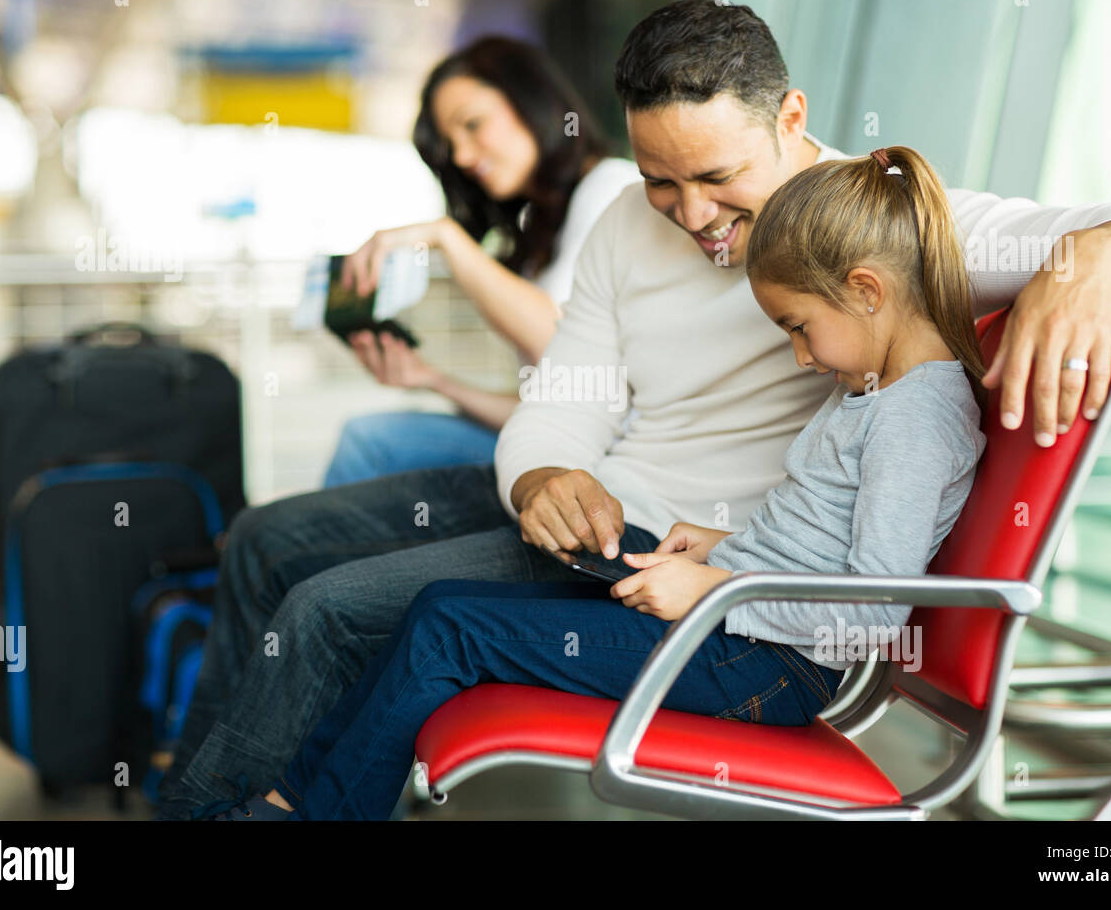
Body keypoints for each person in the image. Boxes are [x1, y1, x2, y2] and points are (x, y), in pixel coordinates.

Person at [155, 0, 1111, 820]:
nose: (692, 215)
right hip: (598, 503)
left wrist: (1095, 257)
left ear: (789, 119)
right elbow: (565, 391)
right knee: (263, 539)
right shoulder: (625, 217)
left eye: (716, 177)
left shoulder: (878, 230)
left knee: (332, 608)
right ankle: (204, 788)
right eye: (663, 180)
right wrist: (539, 474)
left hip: (689, 555)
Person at [204, 144, 989, 819]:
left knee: (450, 630)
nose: (801, 357)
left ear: (868, 289)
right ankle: (291, 803)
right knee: (439, 605)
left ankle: (301, 812)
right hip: (734, 612)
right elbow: (822, 534)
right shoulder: (876, 389)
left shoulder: (916, 417)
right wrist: (718, 548)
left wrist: (712, 590)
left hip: (770, 662)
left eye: (798, 328)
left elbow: (871, 609)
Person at [324, 35, 639, 486]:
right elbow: (548, 407)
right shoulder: (542, 229)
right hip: (562, 447)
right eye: (452, 145)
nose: (465, 157)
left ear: (531, 100)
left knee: (371, 441)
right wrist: (433, 380)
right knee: (371, 438)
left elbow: (564, 358)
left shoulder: (611, 187)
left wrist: (446, 236)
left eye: (472, 124)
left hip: (602, 468)